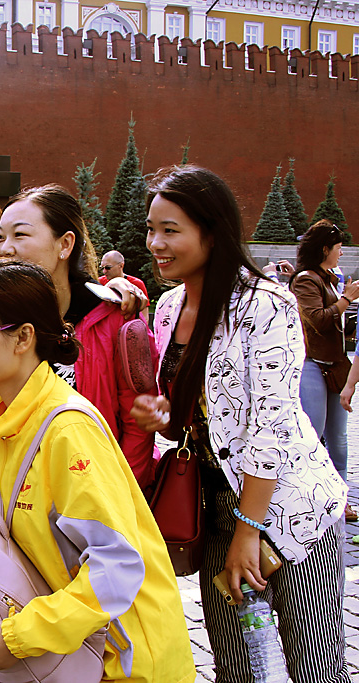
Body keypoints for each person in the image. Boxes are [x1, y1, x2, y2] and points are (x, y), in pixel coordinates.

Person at [133, 165, 348, 683]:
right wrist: (164, 416)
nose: (155, 243)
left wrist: (247, 530)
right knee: (236, 663)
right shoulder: (167, 307)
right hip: (211, 507)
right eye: (151, 228)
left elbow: (270, 426)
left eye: (170, 230)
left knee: (315, 664)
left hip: (289, 511)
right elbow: (196, 413)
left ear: (212, 231)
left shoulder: (264, 305)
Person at [0, 259, 195, 683]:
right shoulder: (9, 421)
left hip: (124, 667)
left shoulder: (65, 430)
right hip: (80, 656)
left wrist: (20, 636)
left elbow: (117, 567)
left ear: (22, 338)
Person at [0, 185, 157, 487]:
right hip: (15, 494)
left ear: (65, 245)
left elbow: (138, 424)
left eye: (20, 235)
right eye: (0, 237)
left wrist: (118, 494)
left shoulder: (111, 318)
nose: (5, 248)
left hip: (94, 496)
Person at [288, 220, 359, 523]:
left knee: (339, 440)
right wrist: (347, 299)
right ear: (325, 248)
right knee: (313, 436)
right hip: (313, 365)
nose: (342, 253)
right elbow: (315, 319)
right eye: (339, 248)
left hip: (333, 366)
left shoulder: (328, 278)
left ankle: (340, 500)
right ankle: (307, 498)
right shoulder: (306, 279)